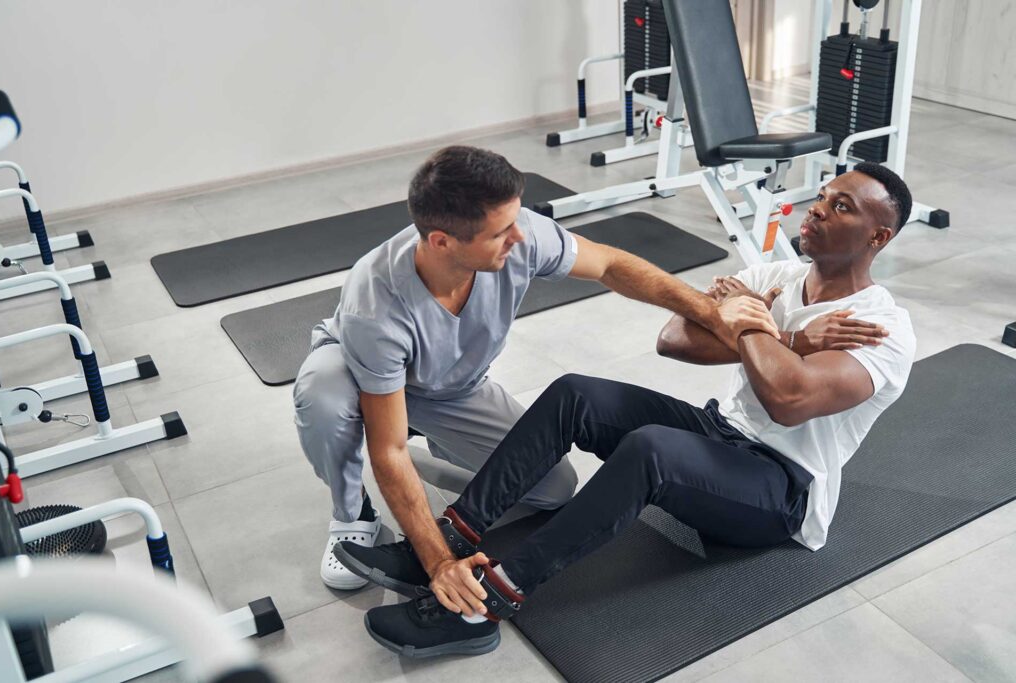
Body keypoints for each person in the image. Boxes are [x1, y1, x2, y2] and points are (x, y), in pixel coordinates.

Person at [336, 163, 917, 658]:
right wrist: (787, 340)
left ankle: (483, 606)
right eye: (820, 197)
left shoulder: (882, 328)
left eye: (839, 207)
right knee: (577, 393)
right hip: (722, 432)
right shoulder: (776, 277)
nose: (813, 210)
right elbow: (675, 338)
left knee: (651, 450)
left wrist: (748, 320)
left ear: (878, 237)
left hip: (782, 488)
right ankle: (449, 540)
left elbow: (788, 400)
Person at [293, 145, 768, 590]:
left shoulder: (521, 233)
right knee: (325, 398)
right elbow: (390, 448)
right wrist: (438, 563)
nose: (520, 237)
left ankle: (428, 450)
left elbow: (611, 265)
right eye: (501, 232)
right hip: (359, 373)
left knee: (555, 489)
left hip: (452, 388)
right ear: (441, 241)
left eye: (517, 219)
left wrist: (710, 312)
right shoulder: (375, 306)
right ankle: (352, 510)